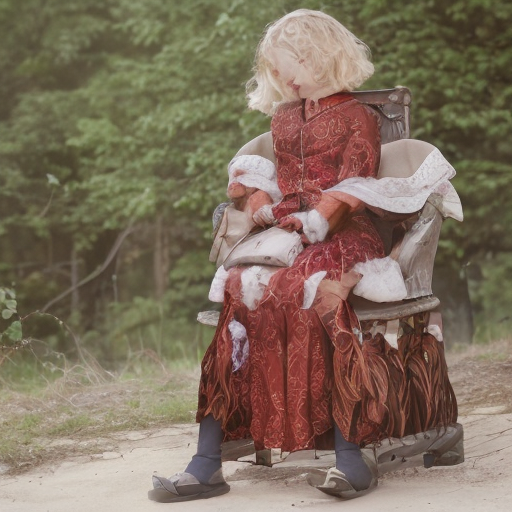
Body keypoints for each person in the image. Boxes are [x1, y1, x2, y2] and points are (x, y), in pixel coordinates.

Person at [148, 9, 458, 503]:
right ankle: (206, 462)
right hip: (289, 231)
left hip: (346, 233)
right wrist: (263, 204)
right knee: (240, 286)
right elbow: (264, 179)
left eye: (293, 62)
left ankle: (350, 456)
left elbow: (357, 184)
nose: (284, 76)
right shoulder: (284, 116)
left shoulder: (357, 116)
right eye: (277, 67)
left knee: (310, 287)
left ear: (321, 56)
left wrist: (318, 219)